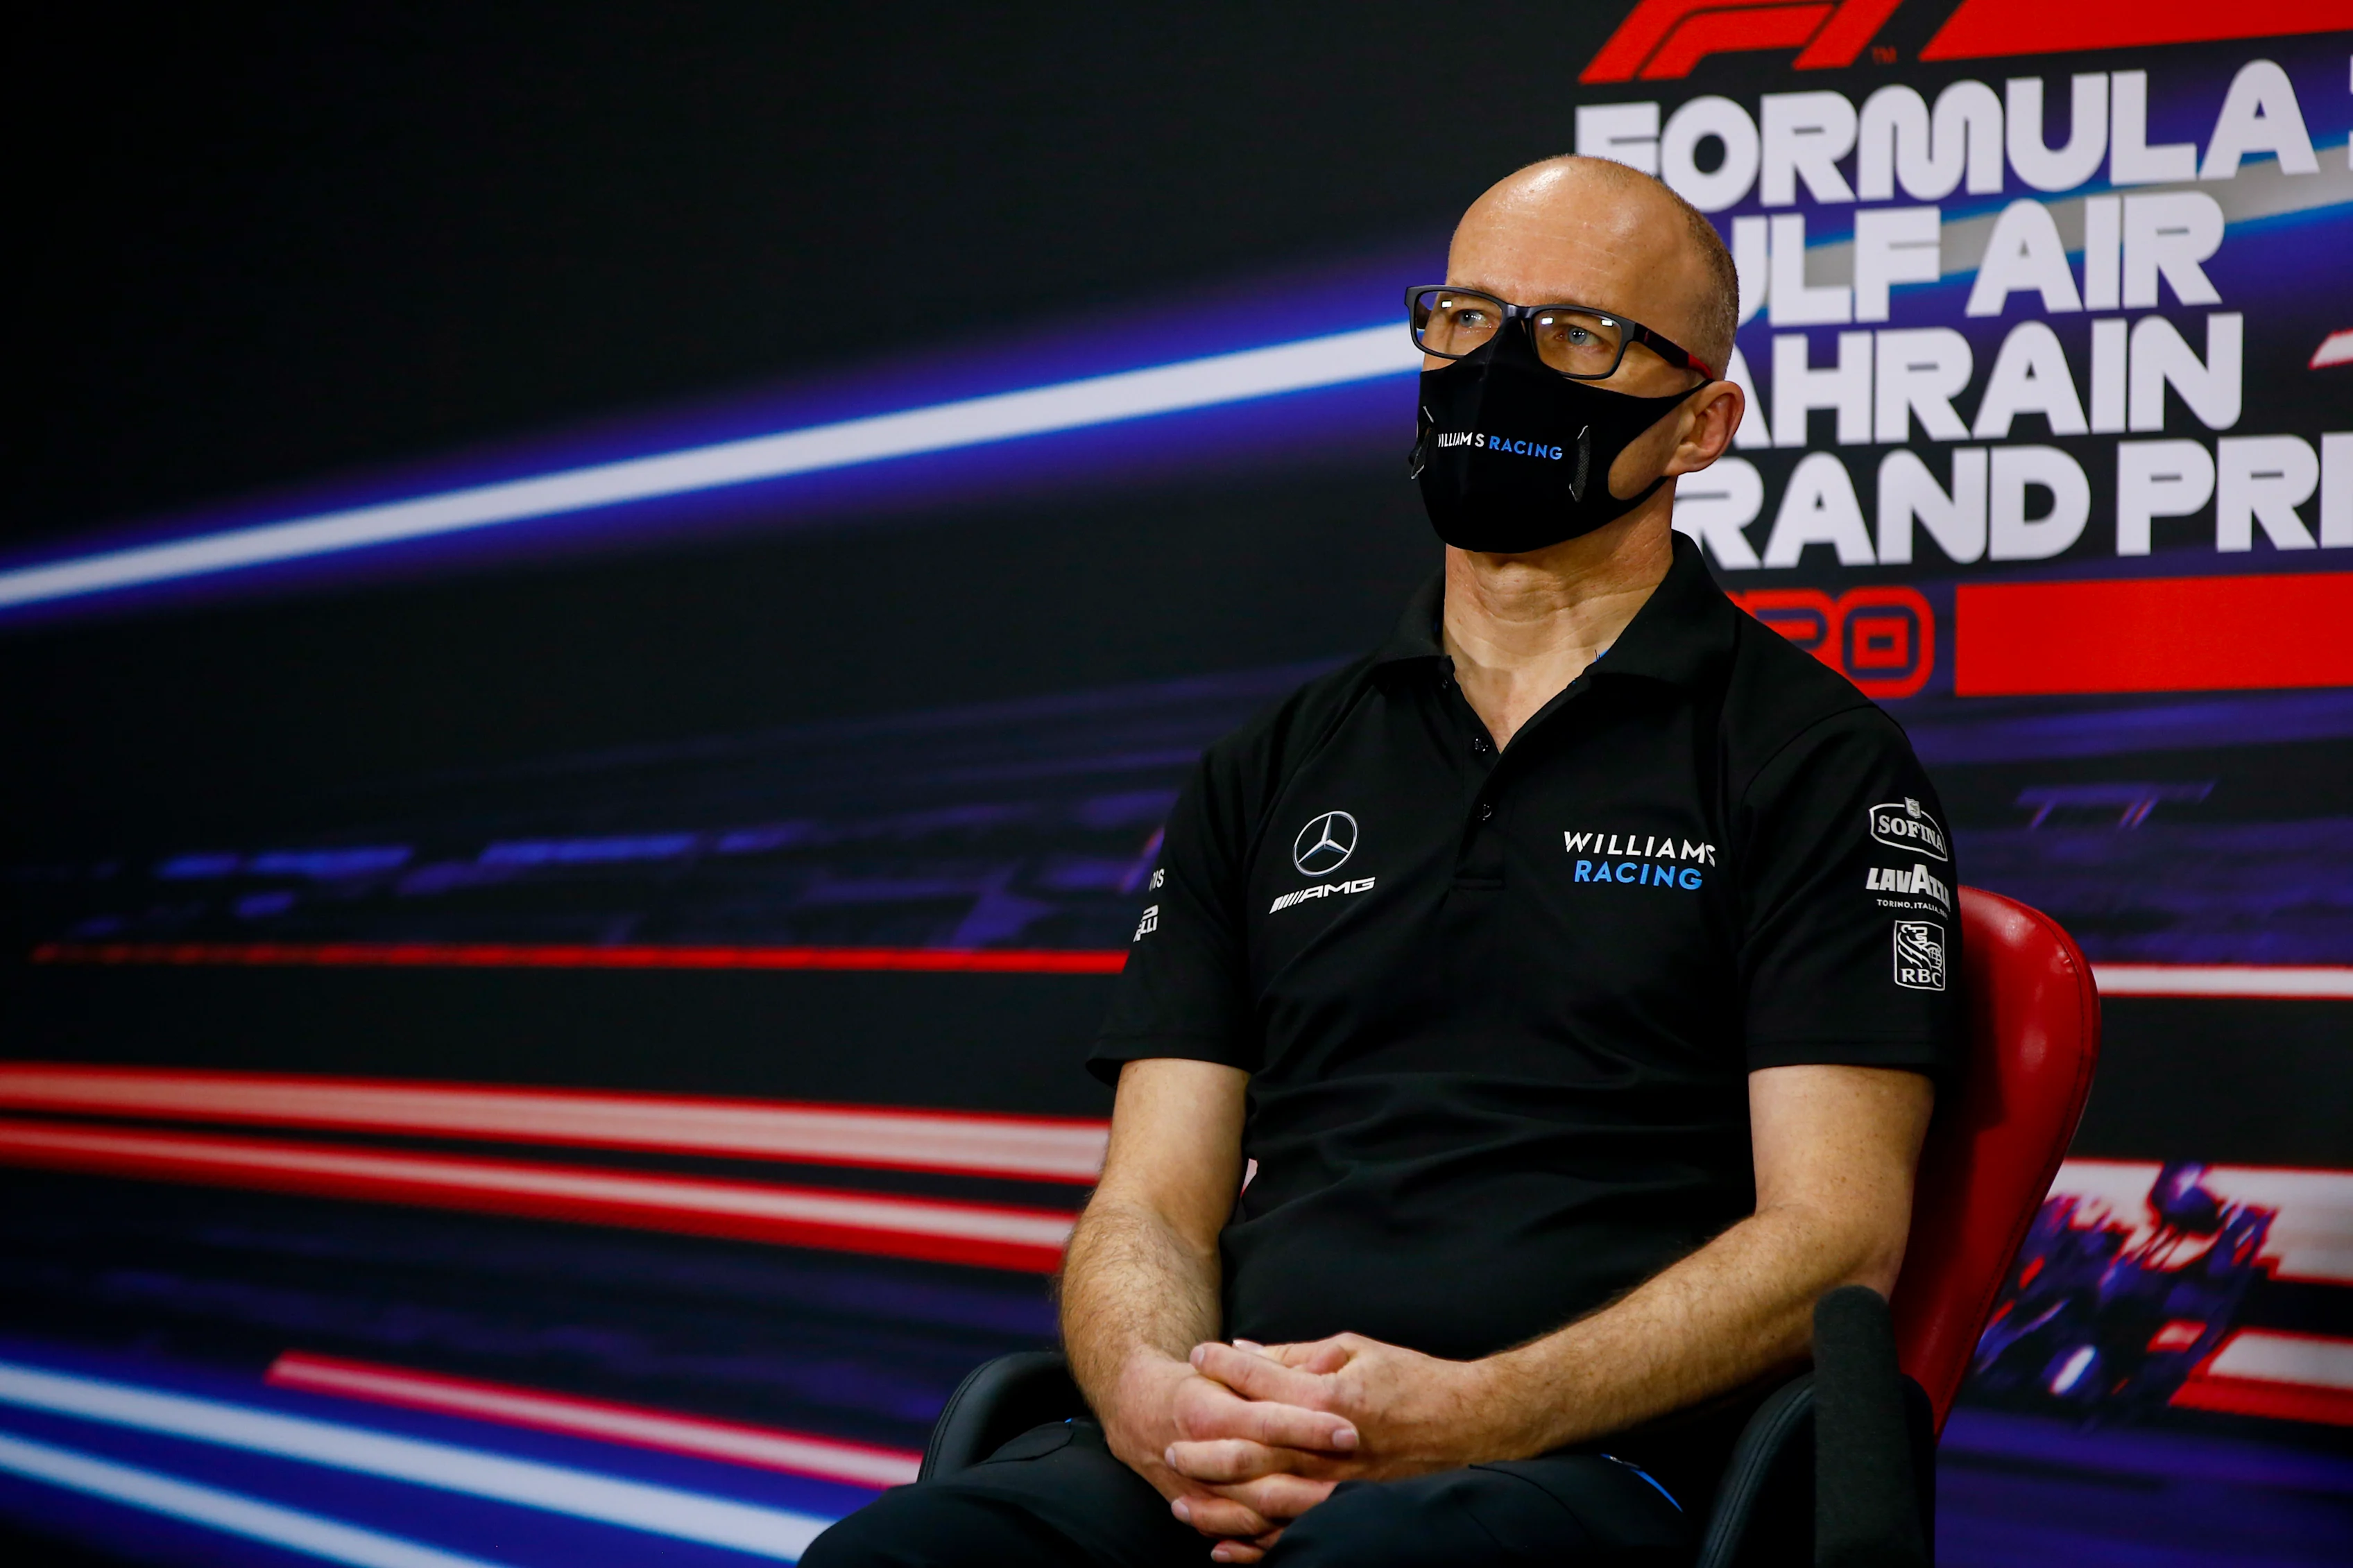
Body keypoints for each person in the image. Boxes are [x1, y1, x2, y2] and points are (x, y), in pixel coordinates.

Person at [804, 153, 1962, 1567]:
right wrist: (1160, 1399)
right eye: (1464, 319)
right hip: (1238, 1435)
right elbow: (1152, 1203)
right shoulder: (1274, 762)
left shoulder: (1811, 762)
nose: (1495, 369)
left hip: (1581, 1467)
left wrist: (1470, 1411)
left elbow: (1833, 1243)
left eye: (1574, 336)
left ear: (1699, 424)